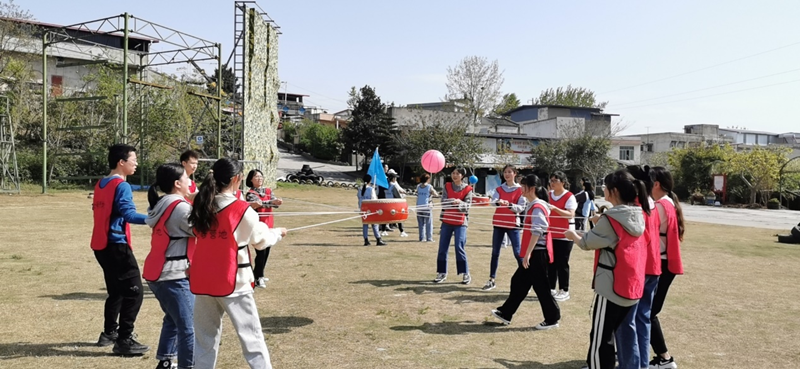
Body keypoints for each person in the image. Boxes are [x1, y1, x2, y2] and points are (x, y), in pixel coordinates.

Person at [188, 158, 287, 369]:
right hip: (234, 282)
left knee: (204, 339)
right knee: (252, 338)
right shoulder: (241, 209)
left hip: (203, 279)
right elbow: (261, 241)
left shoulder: (202, 204)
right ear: (236, 179)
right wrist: (277, 233)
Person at [565, 169, 649, 369]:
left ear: (614, 191)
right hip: (631, 286)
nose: (604, 190)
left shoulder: (610, 219)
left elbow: (586, 242)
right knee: (619, 333)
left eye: (606, 187)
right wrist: (598, 223)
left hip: (611, 287)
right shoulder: (638, 214)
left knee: (600, 339)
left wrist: (572, 235)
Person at [90, 144, 149, 355]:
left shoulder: (101, 184)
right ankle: (125, 339)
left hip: (101, 245)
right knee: (135, 292)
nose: (136, 163)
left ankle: (108, 333)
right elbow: (129, 214)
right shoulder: (121, 185)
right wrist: (156, 218)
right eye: (134, 159)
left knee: (116, 292)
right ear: (121, 162)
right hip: (116, 245)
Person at [143, 163, 196, 369]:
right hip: (174, 275)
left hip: (158, 272)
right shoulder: (180, 207)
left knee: (173, 319)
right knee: (189, 327)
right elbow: (200, 229)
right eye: (186, 178)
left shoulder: (161, 203)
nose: (190, 182)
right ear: (177, 184)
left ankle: (165, 360)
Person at [490, 174, 560, 330]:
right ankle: (506, 313)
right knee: (518, 282)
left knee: (541, 288)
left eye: (523, 186)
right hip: (534, 252)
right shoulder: (532, 205)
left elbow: (538, 231)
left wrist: (528, 254)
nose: (521, 189)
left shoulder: (537, 206)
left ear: (532, 188)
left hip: (537, 253)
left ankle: (552, 318)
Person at [614, 166, 662, 369]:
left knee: (628, 323)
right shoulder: (650, 203)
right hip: (653, 267)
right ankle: (642, 364)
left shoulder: (633, 208)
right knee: (642, 321)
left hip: (640, 268)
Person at [648, 167, 685, 369]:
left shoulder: (660, 205)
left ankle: (665, 358)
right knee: (647, 312)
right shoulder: (668, 202)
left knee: (648, 312)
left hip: (661, 264)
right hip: (664, 263)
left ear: (655, 184)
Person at [483, 165, 527, 291]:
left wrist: (509, 205)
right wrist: (498, 202)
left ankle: (525, 279)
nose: (507, 174)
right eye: (505, 172)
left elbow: (521, 207)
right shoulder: (499, 189)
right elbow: (493, 202)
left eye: (509, 172)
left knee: (518, 253)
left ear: (515, 174)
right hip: (498, 223)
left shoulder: (520, 190)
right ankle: (491, 279)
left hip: (512, 224)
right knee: (495, 252)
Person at [433, 167, 473, 285]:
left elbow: (467, 206)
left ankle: (465, 273)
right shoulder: (447, 186)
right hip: (446, 221)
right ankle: (441, 272)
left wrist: (459, 202)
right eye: (453, 173)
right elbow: (443, 201)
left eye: (457, 173)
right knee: (442, 248)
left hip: (460, 223)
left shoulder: (468, 189)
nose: (454, 175)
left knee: (459, 247)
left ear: (462, 176)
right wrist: (452, 201)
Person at [245, 169, 283, 288]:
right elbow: (256, 204)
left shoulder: (268, 191)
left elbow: (272, 204)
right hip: (258, 227)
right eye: (256, 177)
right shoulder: (250, 193)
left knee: (267, 252)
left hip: (269, 224)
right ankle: (258, 277)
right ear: (251, 179)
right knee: (261, 252)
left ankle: (259, 274)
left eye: (261, 176)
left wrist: (276, 202)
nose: (259, 179)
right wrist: (271, 202)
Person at [548, 171, 577, 302]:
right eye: (551, 180)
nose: (552, 183)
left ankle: (564, 290)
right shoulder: (548, 195)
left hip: (565, 235)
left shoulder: (569, 196)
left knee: (562, 263)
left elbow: (570, 214)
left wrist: (554, 209)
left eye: (555, 180)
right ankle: (551, 287)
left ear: (563, 182)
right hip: (550, 233)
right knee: (551, 263)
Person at [358, 174, 386, 246]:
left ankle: (366, 240)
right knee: (374, 224)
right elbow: (374, 200)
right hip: (370, 209)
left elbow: (359, 199)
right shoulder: (370, 189)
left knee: (365, 225)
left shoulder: (360, 189)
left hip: (363, 209)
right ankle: (378, 239)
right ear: (369, 181)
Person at [415, 173, 439, 242]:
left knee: (421, 223)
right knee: (428, 223)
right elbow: (435, 194)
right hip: (426, 207)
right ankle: (429, 238)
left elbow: (417, 193)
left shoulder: (418, 186)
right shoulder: (429, 186)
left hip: (419, 206)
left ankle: (422, 238)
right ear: (428, 179)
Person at [386, 173, 408, 237]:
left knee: (386, 217)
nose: (396, 179)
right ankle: (402, 231)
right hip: (393, 203)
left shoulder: (386, 185)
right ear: (393, 179)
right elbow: (397, 195)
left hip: (386, 203)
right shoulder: (393, 185)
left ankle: (383, 230)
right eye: (395, 178)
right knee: (399, 217)